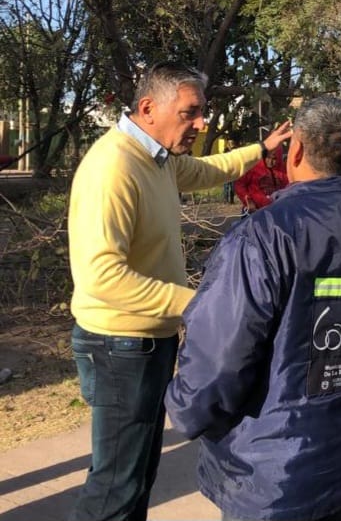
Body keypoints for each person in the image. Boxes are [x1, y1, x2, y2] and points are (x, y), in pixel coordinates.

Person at [164, 96, 341, 521]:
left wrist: (185, 409)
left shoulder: (264, 236)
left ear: (296, 152)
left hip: (275, 481)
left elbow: (218, 360)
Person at [67, 61, 292, 521]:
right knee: (115, 485)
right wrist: (200, 305)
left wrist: (261, 149)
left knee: (136, 474)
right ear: (148, 107)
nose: (201, 124)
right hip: (119, 347)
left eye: (201, 112)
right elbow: (100, 275)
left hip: (146, 342)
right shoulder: (113, 167)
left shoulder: (158, 159)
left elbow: (209, 170)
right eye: (191, 113)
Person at [233, 144, 289, 213]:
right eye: (268, 158)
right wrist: (247, 200)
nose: (270, 162)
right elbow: (239, 185)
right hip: (254, 210)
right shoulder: (253, 167)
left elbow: (288, 189)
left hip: (274, 211)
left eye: (274, 159)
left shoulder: (283, 172)